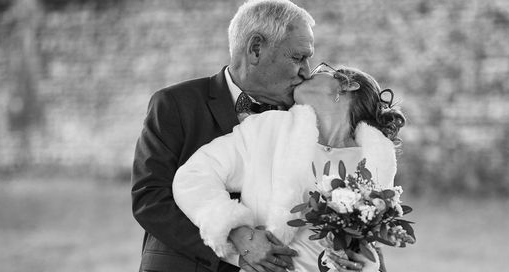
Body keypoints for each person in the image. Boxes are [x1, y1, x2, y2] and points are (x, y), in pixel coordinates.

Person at [131, 0, 316, 272]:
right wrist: (236, 239)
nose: (306, 71)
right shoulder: (174, 104)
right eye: (298, 58)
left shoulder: (301, 117)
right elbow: (150, 198)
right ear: (255, 49)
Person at [173, 63, 405, 272]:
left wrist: (368, 265)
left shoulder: (375, 161)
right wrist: (239, 232)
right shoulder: (268, 131)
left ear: (348, 86)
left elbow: (367, 246)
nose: (305, 74)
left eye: (320, 70)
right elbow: (194, 176)